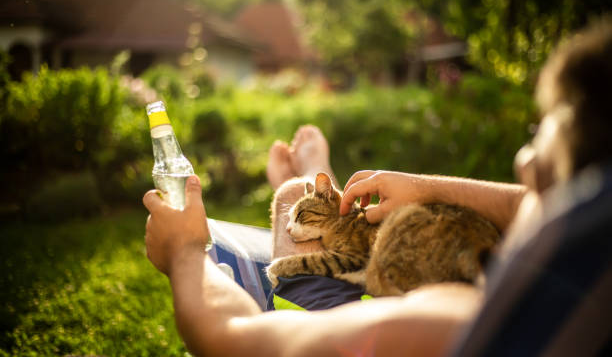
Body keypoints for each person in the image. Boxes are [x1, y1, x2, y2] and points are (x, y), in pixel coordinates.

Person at [143, 20, 612, 356]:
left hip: (343, 316)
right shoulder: (578, 308)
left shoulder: (448, 325)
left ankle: (307, 180)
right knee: (301, 201)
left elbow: (230, 336)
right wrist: (424, 188)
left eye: (538, 168)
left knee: (291, 199)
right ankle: (312, 180)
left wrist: (186, 250)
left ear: (578, 216)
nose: (520, 163)